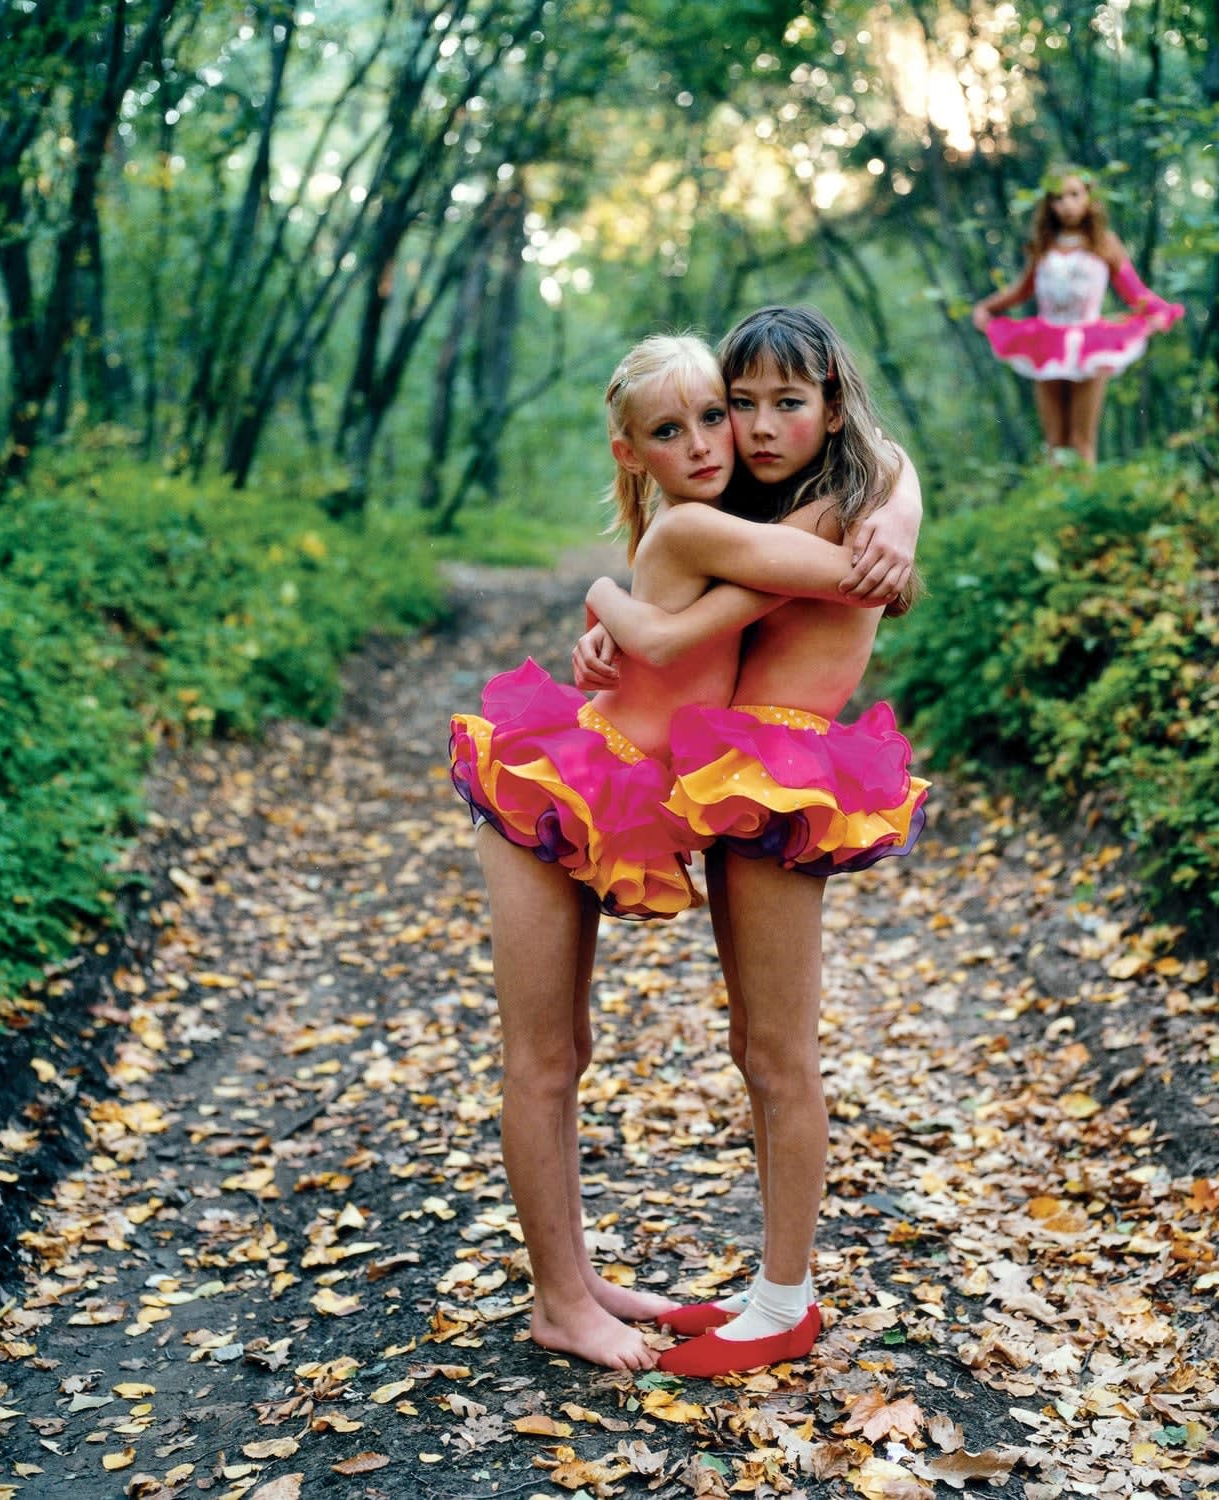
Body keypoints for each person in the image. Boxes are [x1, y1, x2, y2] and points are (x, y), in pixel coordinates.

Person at [449, 330, 920, 1371]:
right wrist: (610, 604)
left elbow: (779, 592)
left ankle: (587, 1284)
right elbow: (830, 581)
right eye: (689, 424)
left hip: (619, 784)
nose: (726, 437)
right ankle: (560, 1299)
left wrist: (900, 500)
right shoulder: (700, 528)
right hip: (556, 780)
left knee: (577, 1051)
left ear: (827, 407)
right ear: (632, 451)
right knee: (544, 1056)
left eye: (729, 414)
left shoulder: (729, 517)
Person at [971, 167, 1183, 465]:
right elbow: (1020, 291)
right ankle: (1059, 505)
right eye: (1058, 198)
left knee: (1081, 440)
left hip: (1090, 345)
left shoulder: (1105, 244)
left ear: (1089, 198)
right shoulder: (1043, 246)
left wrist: (1162, 311)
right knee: (1055, 442)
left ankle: (1085, 505)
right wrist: (986, 308)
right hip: (1045, 344)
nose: (1067, 204)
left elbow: (1134, 292)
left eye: (1074, 195)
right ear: (1049, 205)